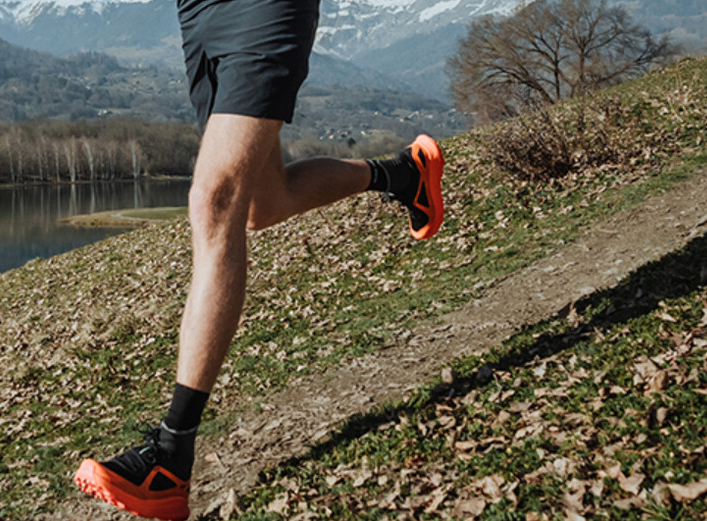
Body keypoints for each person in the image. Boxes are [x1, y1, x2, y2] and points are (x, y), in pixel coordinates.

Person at [73, 0, 445, 518]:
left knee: (214, 198)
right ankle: (405, 174)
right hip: (199, 13)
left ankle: (170, 456)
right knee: (260, 205)